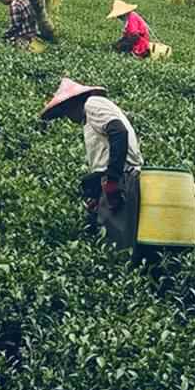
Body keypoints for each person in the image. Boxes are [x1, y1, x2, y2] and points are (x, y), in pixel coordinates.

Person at [40, 78, 145, 256]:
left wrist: (112, 179)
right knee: (105, 236)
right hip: (117, 177)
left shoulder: (92, 104)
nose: (68, 117)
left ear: (74, 103)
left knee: (117, 245)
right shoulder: (90, 115)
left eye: (67, 111)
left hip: (123, 177)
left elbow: (119, 132)